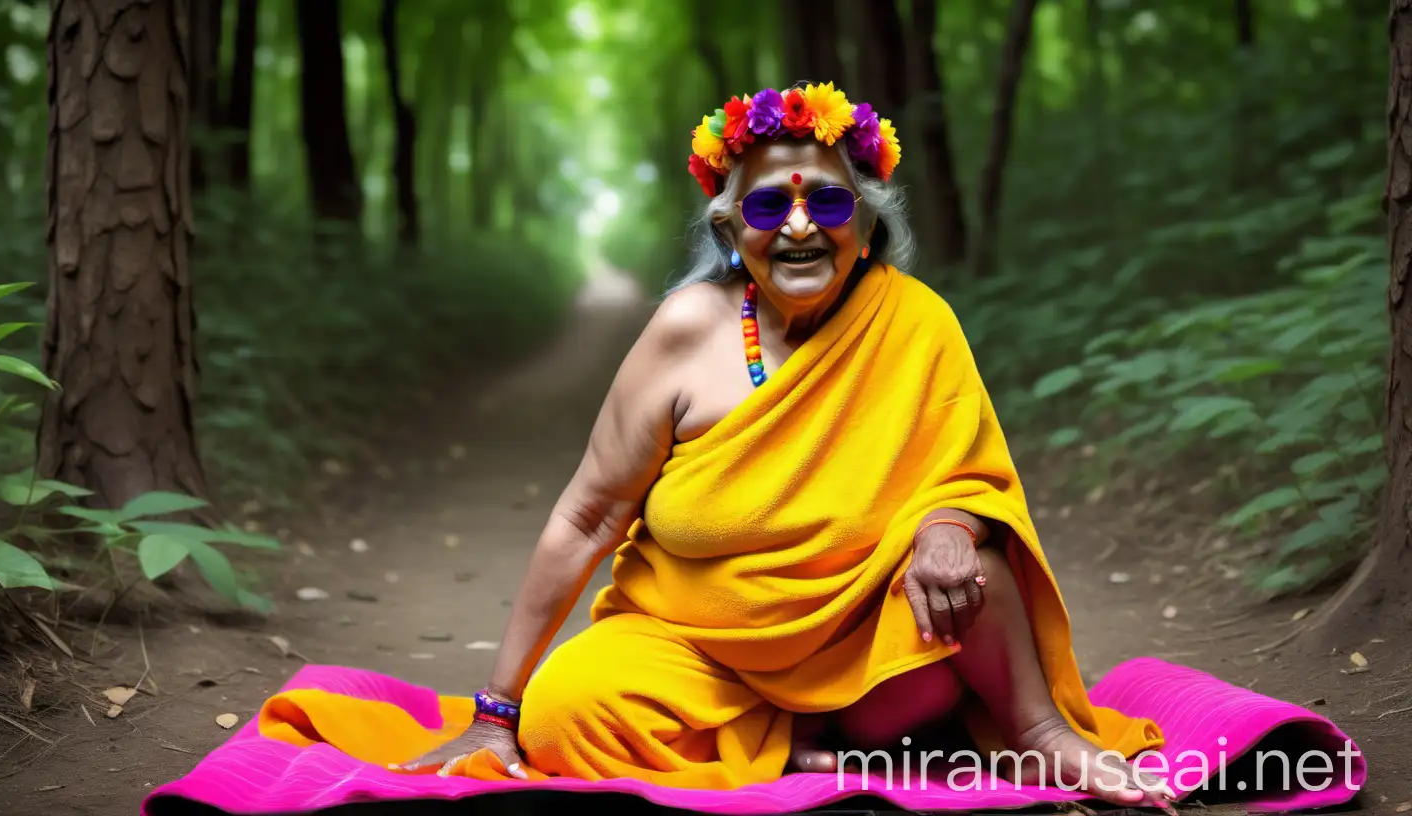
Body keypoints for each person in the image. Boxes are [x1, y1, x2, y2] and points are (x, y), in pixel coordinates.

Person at [400, 82, 1175, 808]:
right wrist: (496, 714)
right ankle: (799, 743)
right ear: (730, 227)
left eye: (828, 201)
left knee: (976, 575)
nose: (800, 226)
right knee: (562, 717)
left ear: (865, 221)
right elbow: (588, 517)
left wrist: (946, 530)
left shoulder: (915, 320)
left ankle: (1039, 734)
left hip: (874, 666)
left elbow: (972, 480)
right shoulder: (683, 332)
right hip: (700, 657)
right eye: (769, 206)